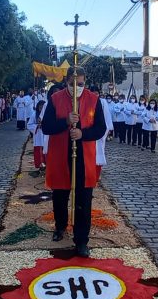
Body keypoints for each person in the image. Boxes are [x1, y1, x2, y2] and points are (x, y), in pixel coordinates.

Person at [42, 67, 107, 258]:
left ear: (85, 82)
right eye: (72, 84)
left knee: (83, 200)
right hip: (61, 155)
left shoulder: (94, 100)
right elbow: (46, 127)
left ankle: (81, 240)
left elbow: (100, 128)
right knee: (60, 195)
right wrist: (65, 122)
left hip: (84, 157)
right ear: (66, 82)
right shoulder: (55, 99)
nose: (76, 87)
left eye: (80, 84)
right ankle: (60, 226)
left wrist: (82, 134)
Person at [28, 100, 47, 169]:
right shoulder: (34, 114)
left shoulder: (47, 114)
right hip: (38, 134)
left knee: (46, 149)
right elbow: (29, 125)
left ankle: (46, 163)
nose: (41, 109)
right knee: (38, 150)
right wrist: (36, 126)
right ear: (38, 107)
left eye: (43, 107)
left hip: (46, 135)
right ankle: (39, 164)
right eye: (40, 107)